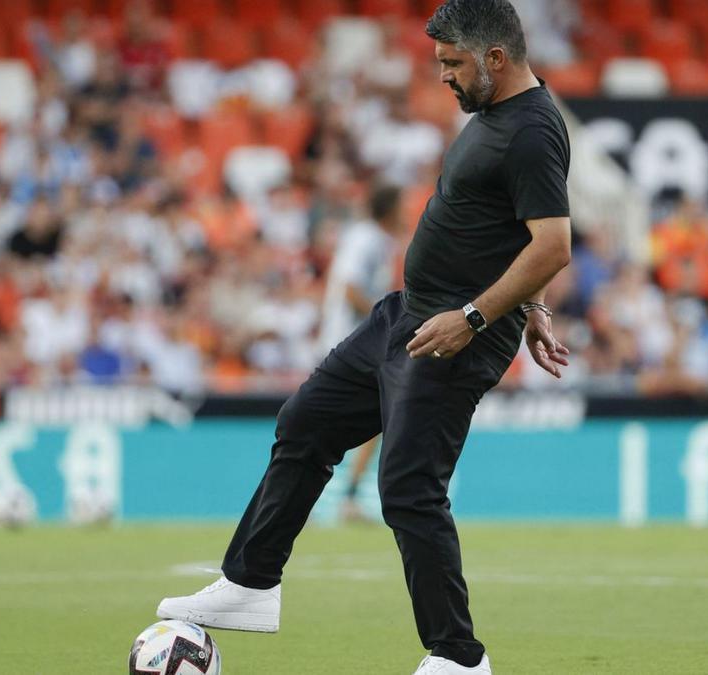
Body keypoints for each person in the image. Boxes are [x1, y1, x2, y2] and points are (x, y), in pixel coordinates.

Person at [155, 2, 573, 674]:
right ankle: (251, 582)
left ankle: (459, 658)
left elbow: (553, 243)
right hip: (407, 315)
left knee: (408, 487)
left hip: (453, 334)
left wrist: (476, 317)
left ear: (495, 58)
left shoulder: (530, 130)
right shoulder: (496, 118)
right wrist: (534, 307)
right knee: (305, 423)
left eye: (452, 63)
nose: (442, 76)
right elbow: (517, 231)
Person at [318, 184, 404, 523]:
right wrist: (384, 322)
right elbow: (349, 286)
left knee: (377, 417)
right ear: (388, 208)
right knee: (362, 417)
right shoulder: (365, 238)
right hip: (349, 341)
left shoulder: (378, 240)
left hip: (360, 341)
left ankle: (346, 497)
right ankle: (337, 497)